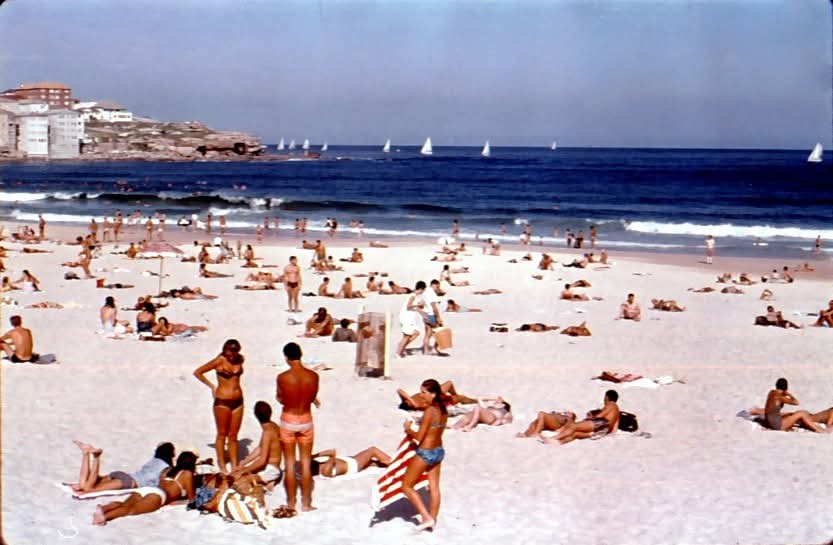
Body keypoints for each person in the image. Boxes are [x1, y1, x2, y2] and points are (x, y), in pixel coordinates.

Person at [92, 451, 197, 525]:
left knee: (125, 504)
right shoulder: (187, 474)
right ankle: (104, 517)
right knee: (130, 510)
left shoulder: (167, 470)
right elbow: (191, 498)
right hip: (159, 496)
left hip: (147, 489)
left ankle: (104, 508)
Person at [277, 342, 320, 512]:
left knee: (289, 464)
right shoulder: (313, 376)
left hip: (289, 418)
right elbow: (312, 396)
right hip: (305, 419)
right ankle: (306, 503)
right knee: (305, 463)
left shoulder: (283, 377)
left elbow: (281, 398)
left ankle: (291, 503)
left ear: (287, 357)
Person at [401, 379, 448, 531]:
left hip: (426, 452)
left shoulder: (430, 411)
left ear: (433, 394)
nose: (421, 395)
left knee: (406, 486)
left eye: (424, 392)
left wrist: (408, 429)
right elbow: (436, 430)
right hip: (439, 450)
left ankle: (426, 517)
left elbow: (420, 437)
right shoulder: (444, 410)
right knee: (434, 487)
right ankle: (433, 520)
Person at [193, 339, 246, 472]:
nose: (233, 353)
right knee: (222, 434)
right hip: (222, 401)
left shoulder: (240, 359)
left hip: (238, 401)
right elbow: (198, 372)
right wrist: (212, 386)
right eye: (230, 350)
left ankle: (234, 464)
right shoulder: (219, 361)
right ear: (225, 350)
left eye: (235, 350)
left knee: (233, 435)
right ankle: (221, 464)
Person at [67, 440, 175, 494]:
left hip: (123, 475)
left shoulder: (154, 460)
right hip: (129, 482)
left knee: (84, 485)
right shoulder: (167, 469)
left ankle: (85, 453)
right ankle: (96, 457)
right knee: (89, 489)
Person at [230, 401, 284, 489]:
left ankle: (269, 480)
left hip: (271, 470)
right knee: (238, 473)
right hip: (272, 467)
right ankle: (268, 480)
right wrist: (243, 463)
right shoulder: (273, 426)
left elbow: (262, 461)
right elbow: (260, 448)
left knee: (236, 480)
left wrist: (243, 470)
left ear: (256, 415)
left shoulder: (267, 433)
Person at [543, 390, 620, 445]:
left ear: (607, 397)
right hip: (603, 431)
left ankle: (554, 438)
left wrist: (590, 418)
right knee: (576, 434)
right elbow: (615, 428)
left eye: (605, 397)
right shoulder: (617, 410)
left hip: (601, 424)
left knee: (574, 426)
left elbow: (600, 416)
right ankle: (559, 442)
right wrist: (606, 434)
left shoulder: (610, 405)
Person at [762, 378, 827, 432]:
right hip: (777, 426)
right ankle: (820, 430)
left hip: (769, 423)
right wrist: (789, 394)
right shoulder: (781, 397)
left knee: (791, 414)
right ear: (786, 387)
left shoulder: (771, 392)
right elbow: (796, 402)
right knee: (802, 413)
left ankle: (810, 425)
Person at [309, 446, 391, 478]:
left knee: (372, 463)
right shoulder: (325, 470)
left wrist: (312, 457)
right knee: (372, 450)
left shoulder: (323, 468)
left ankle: (386, 465)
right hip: (354, 464)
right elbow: (332, 452)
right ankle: (394, 464)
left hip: (351, 463)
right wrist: (314, 455)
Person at [397, 380, 477, 410]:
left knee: (449, 383)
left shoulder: (409, 400)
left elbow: (399, 390)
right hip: (437, 398)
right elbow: (431, 405)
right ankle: (475, 401)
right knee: (461, 398)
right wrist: (413, 403)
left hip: (432, 392)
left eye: (407, 401)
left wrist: (410, 400)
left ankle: (456, 395)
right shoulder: (418, 405)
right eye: (409, 402)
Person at [396, 282, 427, 357]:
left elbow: (417, 308)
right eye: (423, 290)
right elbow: (408, 306)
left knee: (416, 333)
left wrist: (424, 315)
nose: (423, 292)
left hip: (409, 317)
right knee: (407, 335)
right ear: (421, 289)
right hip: (406, 317)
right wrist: (418, 304)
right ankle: (398, 352)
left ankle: (402, 347)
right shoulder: (412, 296)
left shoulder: (416, 297)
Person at [422, 279, 444, 355]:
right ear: (433, 285)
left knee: (427, 334)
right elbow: (434, 307)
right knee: (439, 331)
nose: (437, 288)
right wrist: (438, 317)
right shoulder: (432, 293)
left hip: (425, 314)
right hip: (431, 315)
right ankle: (435, 348)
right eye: (437, 287)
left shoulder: (425, 292)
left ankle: (425, 351)